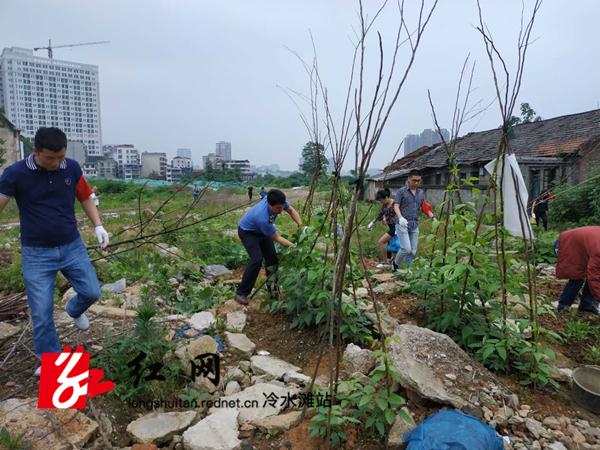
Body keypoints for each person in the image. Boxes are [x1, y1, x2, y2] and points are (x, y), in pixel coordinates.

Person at [0, 127, 109, 376]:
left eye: (60, 157)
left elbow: (85, 196)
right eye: (51, 158)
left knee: (92, 290)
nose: (57, 163)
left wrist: (99, 225)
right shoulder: (15, 174)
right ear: (36, 151)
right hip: (36, 253)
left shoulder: (70, 168)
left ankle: (74, 310)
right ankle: (52, 363)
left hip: (72, 246)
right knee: (41, 312)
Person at [235, 189, 302, 305]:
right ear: (269, 204)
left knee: (272, 261)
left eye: (281, 207)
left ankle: (273, 292)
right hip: (248, 232)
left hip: (262, 232)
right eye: (277, 208)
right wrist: (295, 247)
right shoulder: (262, 218)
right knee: (257, 259)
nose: (280, 211)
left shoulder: (277, 200)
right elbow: (278, 238)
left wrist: (302, 226)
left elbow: (291, 210)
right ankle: (241, 293)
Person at [393, 170, 435, 267]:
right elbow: (396, 206)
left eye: (418, 181)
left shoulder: (421, 193)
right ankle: (395, 265)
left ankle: (409, 270)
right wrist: (400, 218)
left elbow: (424, 207)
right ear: (409, 179)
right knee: (406, 249)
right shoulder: (401, 191)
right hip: (402, 224)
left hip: (414, 224)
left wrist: (433, 217)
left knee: (412, 251)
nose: (416, 182)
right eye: (414, 180)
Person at [555, 226, 600, 315]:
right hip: (567, 243)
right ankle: (563, 307)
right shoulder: (598, 250)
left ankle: (587, 306)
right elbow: (594, 275)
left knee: (588, 276)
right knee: (577, 277)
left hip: (582, 245)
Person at [367, 188, 398, 270]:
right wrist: (373, 222)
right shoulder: (385, 205)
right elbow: (380, 215)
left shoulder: (395, 204)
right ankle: (390, 260)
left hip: (396, 228)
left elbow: (398, 216)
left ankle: (386, 263)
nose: (381, 202)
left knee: (381, 242)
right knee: (390, 244)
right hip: (391, 227)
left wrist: (386, 220)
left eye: (381, 200)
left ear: (386, 197)